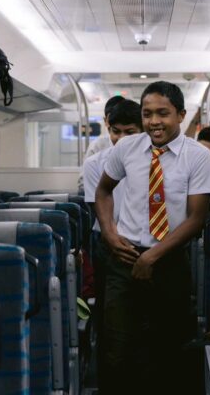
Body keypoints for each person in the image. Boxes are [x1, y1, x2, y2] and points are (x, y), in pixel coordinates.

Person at [95, 81, 210, 394]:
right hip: (124, 258)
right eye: (147, 114)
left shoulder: (198, 156)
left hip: (170, 260)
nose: (154, 121)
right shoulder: (127, 148)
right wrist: (109, 233)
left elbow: (196, 218)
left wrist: (152, 256)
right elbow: (103, 191)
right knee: (117, 350)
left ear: (181, 115)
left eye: (163, 113)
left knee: (167, 350)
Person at [82, 99, 143, 391]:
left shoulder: (155, 162)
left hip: (144, 244)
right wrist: (115, 239)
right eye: (116, 131)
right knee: (111, 322)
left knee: (144, 321)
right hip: (107, 242)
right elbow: (98, 207)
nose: (121, 138)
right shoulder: (96, 162)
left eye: (129, 132)